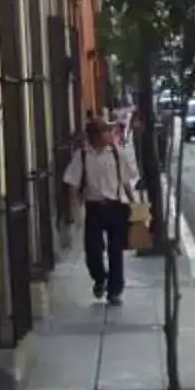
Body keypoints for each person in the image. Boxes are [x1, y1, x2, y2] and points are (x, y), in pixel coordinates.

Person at [64, 115, 138, 304]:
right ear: (93, 136)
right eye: (103, 132)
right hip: (94, 207)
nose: (108, 135)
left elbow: (126, 180)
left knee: (116, 250)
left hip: (115, 206)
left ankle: (115, 290)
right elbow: (72, 183)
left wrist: (134, 203)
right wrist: (74, 210)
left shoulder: (116, 152)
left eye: (108, 131)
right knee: (93, 251)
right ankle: (100, 278)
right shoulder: (82, 155)